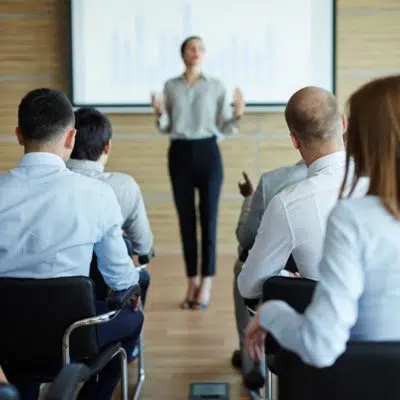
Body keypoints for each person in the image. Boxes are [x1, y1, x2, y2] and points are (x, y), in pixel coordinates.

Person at [246, 75, 400, 368]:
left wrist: (272, 312)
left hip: (363, 379)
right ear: (341, 125)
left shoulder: (351, 218)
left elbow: (321, 346)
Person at [0, 88, 143, 400]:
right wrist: (132, 288)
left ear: (19, 135)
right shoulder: (97, 195)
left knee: (18, 342)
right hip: (71, 337)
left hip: (6, 338)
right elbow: (120, 277)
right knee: (133, 318)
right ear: (71, 138)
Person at [237, 86, 368, 299]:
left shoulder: (287, 203)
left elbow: (248, 287)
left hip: (324, 326)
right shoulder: (383, 181)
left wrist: (286, 278)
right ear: (343, 123)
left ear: (295, 140)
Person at [151, 35, 245, 309]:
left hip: (208, 152)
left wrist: (237, 115)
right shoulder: (170, 85)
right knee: (185, 219)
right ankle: (191, 280)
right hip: (179, 151)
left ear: (204, 55)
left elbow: (223, 128)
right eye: (191, 48)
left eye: (201, 49)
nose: (196, 52)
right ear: (183, 54)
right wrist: (159, 113)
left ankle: (207, 282)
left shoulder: (216, 86)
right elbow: (167, 126)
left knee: (209, 218)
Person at [67, 107, 153, 306]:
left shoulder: (47, 185)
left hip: (41, 301)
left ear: (68, 140)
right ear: (107, 147)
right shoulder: (123, 186)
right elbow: (143, 245)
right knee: (141, 278)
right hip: (104, 298)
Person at [232, 163, 307, 378]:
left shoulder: (272, 182)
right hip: (342, 337)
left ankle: (253, 364)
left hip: (279, 290)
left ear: (296, 139)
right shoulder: (361, 182)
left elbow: (246, 238)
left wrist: (249, 198)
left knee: (243, 268)